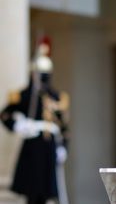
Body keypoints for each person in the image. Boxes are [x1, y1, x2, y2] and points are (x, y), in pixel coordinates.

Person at [0, 37, 70, 204]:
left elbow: (64, 128)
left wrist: (64, 148)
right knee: (32, 190)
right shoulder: (25, 95)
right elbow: (5, 115)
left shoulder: (57, 97)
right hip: (33, 146)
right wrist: (18, 125)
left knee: (49, 192)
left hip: (50, 146)